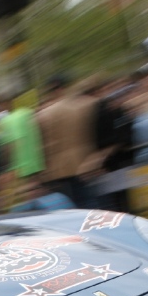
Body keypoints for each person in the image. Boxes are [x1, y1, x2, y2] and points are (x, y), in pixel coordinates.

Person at [35, 75, 101, 207]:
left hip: (58, 168)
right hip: (84, 162)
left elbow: (46, 145)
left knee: (68, 206)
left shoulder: (45, 114)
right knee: (88, 201)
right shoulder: (84, 106)